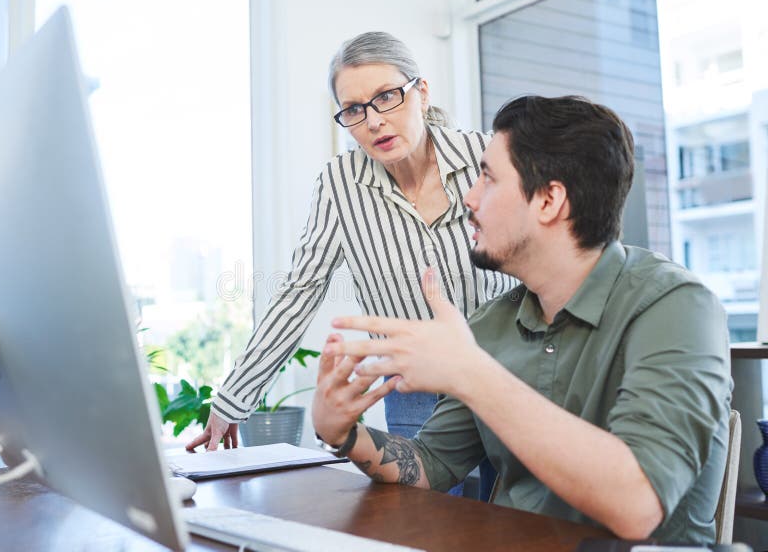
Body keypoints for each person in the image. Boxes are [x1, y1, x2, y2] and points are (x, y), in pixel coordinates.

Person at [311, 95, 732, 543]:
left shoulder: (678, 307)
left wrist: (470, 373)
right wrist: (344, 433)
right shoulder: (492, 322)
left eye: (488, 179)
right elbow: (431, 464)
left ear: (549, 200)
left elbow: (637, 506)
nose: (468, 199)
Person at [187, 32, 514, 497]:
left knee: (515, 522)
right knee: (427, 526)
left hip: (504, 371)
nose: (374, 121)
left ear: (421, 92)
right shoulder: (340, 184)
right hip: (412, 385)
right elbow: (299, 292)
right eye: (355, 109)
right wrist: (231, 402)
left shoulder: (484, 155)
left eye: (387, 97)